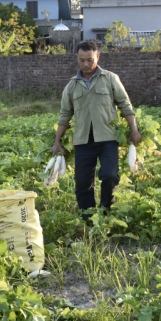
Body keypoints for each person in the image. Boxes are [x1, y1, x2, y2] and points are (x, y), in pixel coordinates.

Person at [51, 41, 141, 229]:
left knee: (109, 175)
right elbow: (65, 115)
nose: (85, 64)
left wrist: (134, 129)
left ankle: (106, 212)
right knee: (83, 184)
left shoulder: (110, 79)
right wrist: (57, 141)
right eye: (82, 60)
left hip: (107, 138)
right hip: (83, 141)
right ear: (77, 59)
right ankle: (88, 220)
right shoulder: (71, 85)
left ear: (97, 57)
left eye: (90, 60)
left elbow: (125, 105)